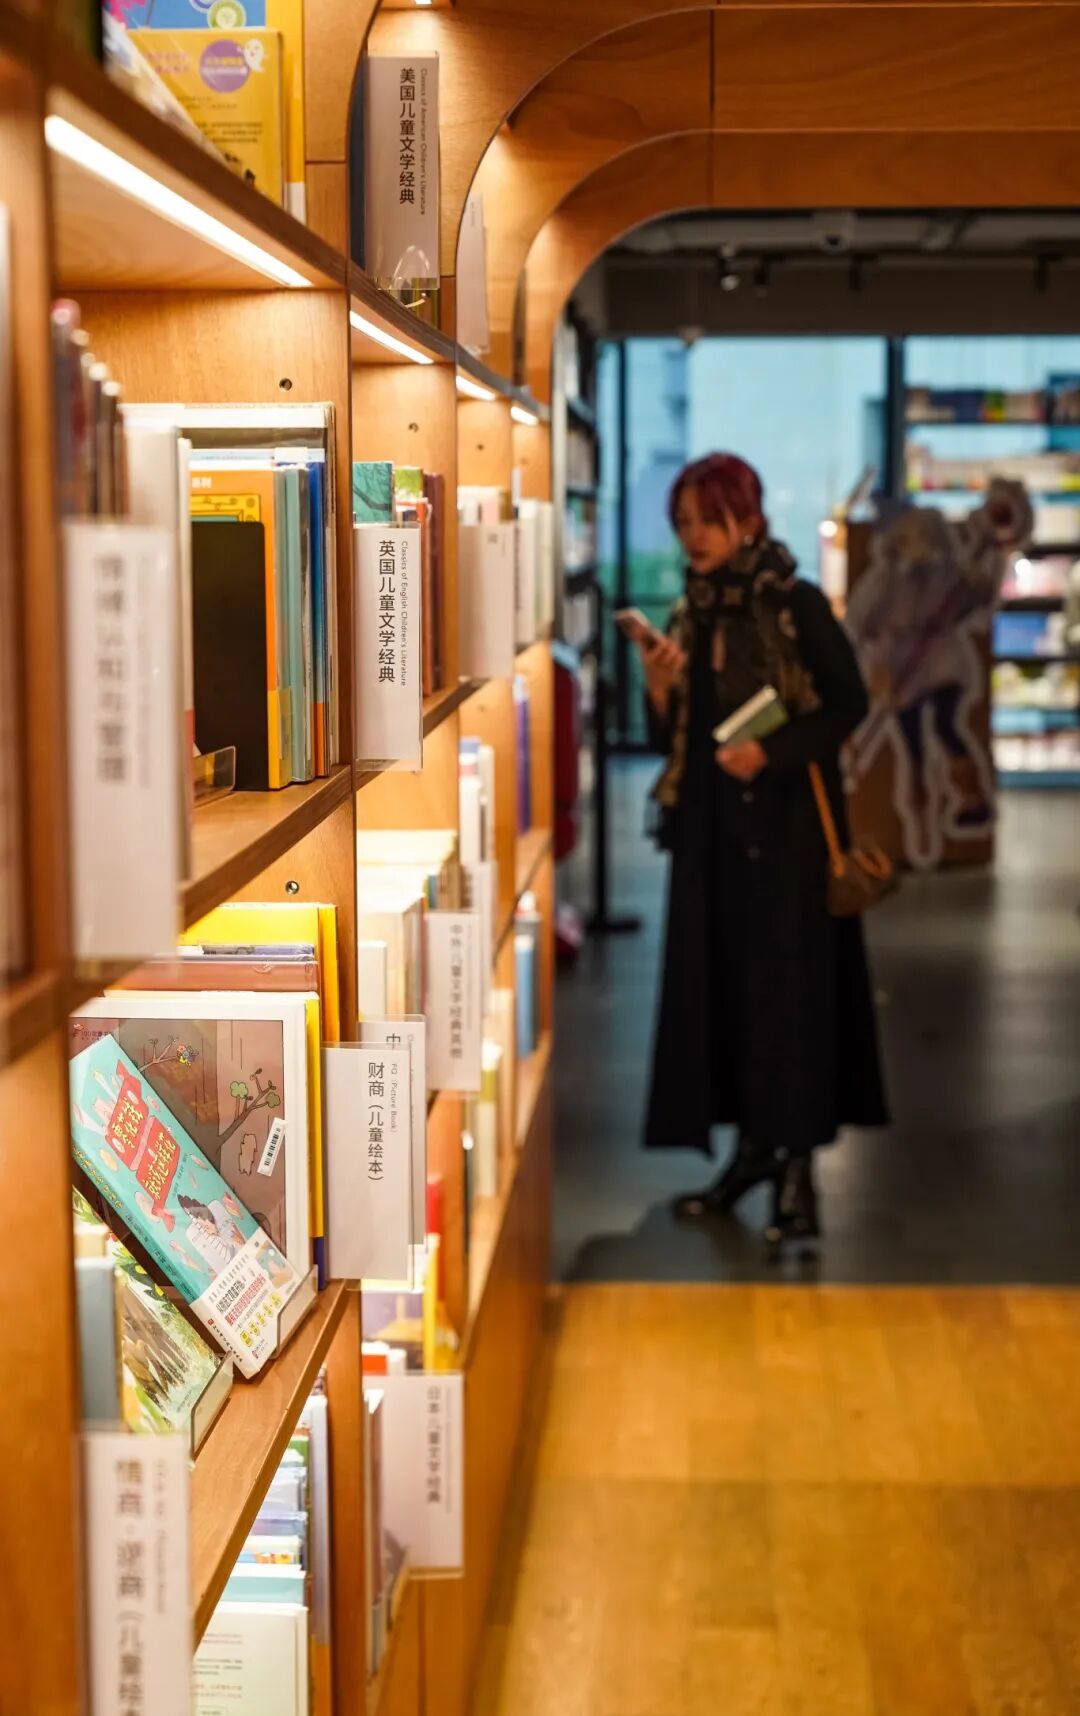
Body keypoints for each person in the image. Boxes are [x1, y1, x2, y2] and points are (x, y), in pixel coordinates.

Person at [639, 452, 889, 1255]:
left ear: (746, 520)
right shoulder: (694, 612)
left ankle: (797, 1175)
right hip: (713, 838)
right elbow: (675, 740)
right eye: (684, 523)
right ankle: (752, 1155)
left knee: (795, 1000)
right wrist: (659, 690)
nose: (694, 537)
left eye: (708, 521)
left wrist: (771, 753)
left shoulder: (793, 603)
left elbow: (847, 702)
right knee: (729, 995)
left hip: (792, 839)